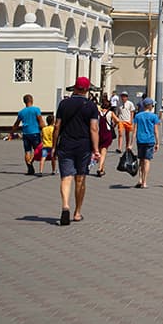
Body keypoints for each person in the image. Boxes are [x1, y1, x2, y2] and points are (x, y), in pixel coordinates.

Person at [53, 77, 100, 226]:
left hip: (65, 144)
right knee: (80, 179)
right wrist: (96, 149)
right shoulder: (91, 106)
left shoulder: (63, 104)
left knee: (66, 178)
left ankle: (65, 205)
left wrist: (54, 146)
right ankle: (77, 212)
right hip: (83, 145)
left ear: (75, 88)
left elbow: (57, 126)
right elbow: (94, 128)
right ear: (86, 90)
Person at [9, 94, 46, 175]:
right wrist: (45, 129)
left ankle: (29, 168)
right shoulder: (36, 110)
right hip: (35, 132)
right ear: (32, 100)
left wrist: (11, 133)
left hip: (26, 133)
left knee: (27, 151)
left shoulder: (21, 112)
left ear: (24, 102)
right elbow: (40, 121)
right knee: (37, 149)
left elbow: (16, 124)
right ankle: (30, 162)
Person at [133, 97, 160, 189]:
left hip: (140, 140)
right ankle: (144, 182)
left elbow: (135, 130)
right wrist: (158, 142)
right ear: (150, 106)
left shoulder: (138, 116)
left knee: (140, 160)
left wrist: (130, 143)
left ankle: (140, 179)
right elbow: (156, 130)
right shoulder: (154, 116)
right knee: (147, 160)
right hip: (150, 140)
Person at [95, 98, 116, 177]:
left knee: (100, 151)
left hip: (99, 133)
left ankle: (102, 169)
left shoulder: (98, 112)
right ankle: (100, 168)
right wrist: (113, 125)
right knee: (103, 152)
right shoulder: (110, 113)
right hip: (107, 133)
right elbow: (117, 120)